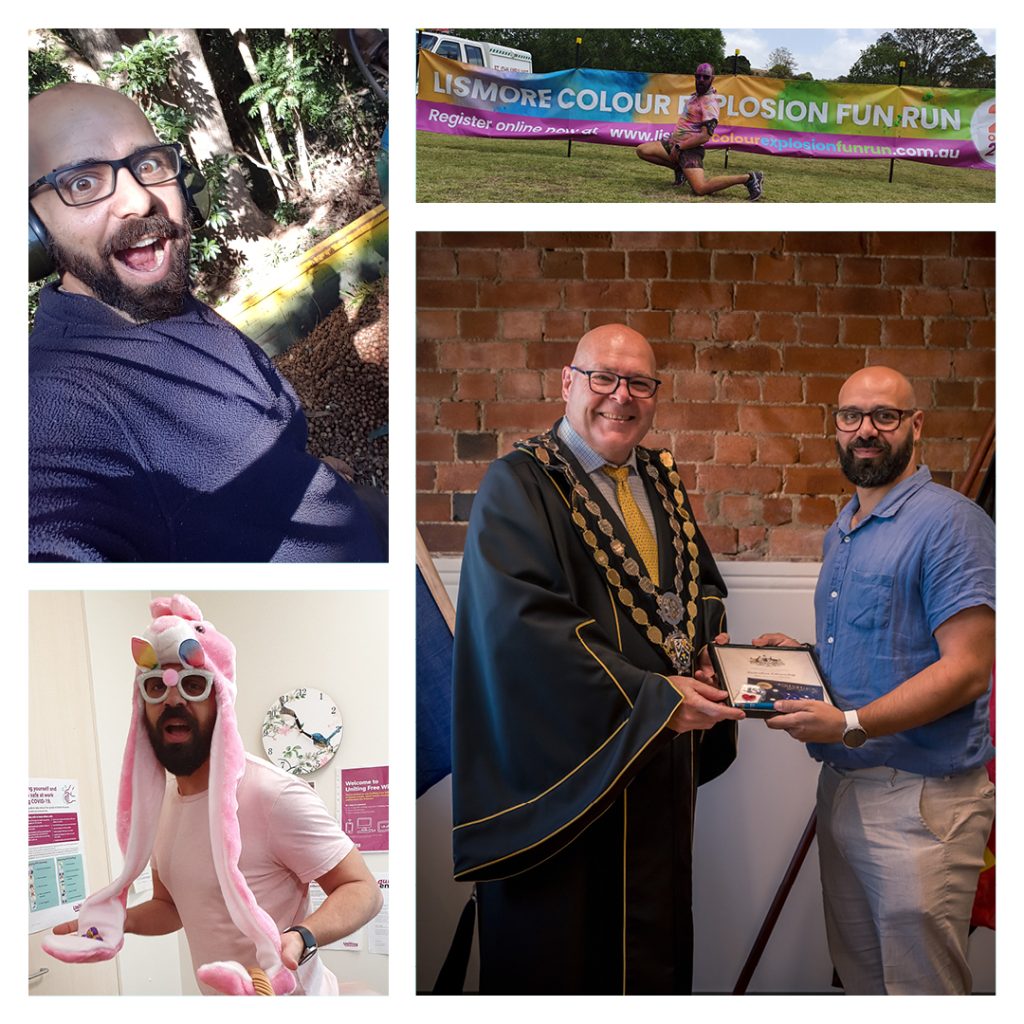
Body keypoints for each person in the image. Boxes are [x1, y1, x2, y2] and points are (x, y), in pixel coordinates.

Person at [450, 323, 744, 994]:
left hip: (655, 769)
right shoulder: (518, 482)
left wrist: (707, 652)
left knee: (652, 964)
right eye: (603, 378)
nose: (622, 396)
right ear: (567, 382)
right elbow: (521, 631)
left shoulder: (661, 482)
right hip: (566, 782)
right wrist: (655, 698)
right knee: (567, 965)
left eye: (640, 382)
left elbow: (701, 586)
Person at [29, 83, 384, 562]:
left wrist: (302, 471)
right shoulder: (60, 402)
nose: (139, 200)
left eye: (149, 165)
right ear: (30, 230)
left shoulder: (164, 303)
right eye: (83, 182)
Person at [754, 366, 995, 995]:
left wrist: (853, 724)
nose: (866, 430)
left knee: (922, 996)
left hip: (920, 801)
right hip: (843, 789)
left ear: (915, 426)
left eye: (884, 416)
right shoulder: (846, 527)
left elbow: (968, 669)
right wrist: (798, 658)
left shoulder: (952, 523)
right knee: (862, 987)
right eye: (851, 416)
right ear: (835, 426)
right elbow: (877, 650)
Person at [44, 594, 382, 995]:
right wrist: (122, 919)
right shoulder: (161, 806)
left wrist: (300, 937)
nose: (173, 699)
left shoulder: (273, 795)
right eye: (155, 686)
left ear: (220, 698)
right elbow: (173, 907)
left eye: (193, 684)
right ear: (142, 706)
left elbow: (364, 890)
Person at [636, 62, 763, 200]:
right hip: (674, 142)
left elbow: (705, 136)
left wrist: (680, 147)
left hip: (690, 149)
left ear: (712, 79)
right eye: (698, 76)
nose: (701, 80)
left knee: (700, 189)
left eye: (705, 77)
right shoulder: (696, 96)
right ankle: (680, 169)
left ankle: (749, 178)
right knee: (642, 150)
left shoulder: (710, 104)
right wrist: (676, 144)